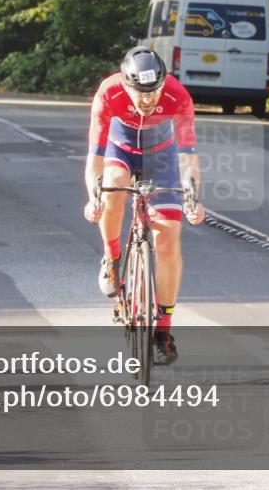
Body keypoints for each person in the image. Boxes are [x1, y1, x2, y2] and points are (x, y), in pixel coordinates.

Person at [84, 47, 205, 365]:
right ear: (126, 86)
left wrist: (193, 196)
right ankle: (112, 257)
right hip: (120, 148)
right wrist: (93, 197)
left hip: (161, 155)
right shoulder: (109, 92)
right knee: (113, 188)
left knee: (167, 241)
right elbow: (94, 158)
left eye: (155, 92)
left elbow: (189, 157)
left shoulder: (178, 96)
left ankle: (163, 330)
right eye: (141, 93)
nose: (149, 100)